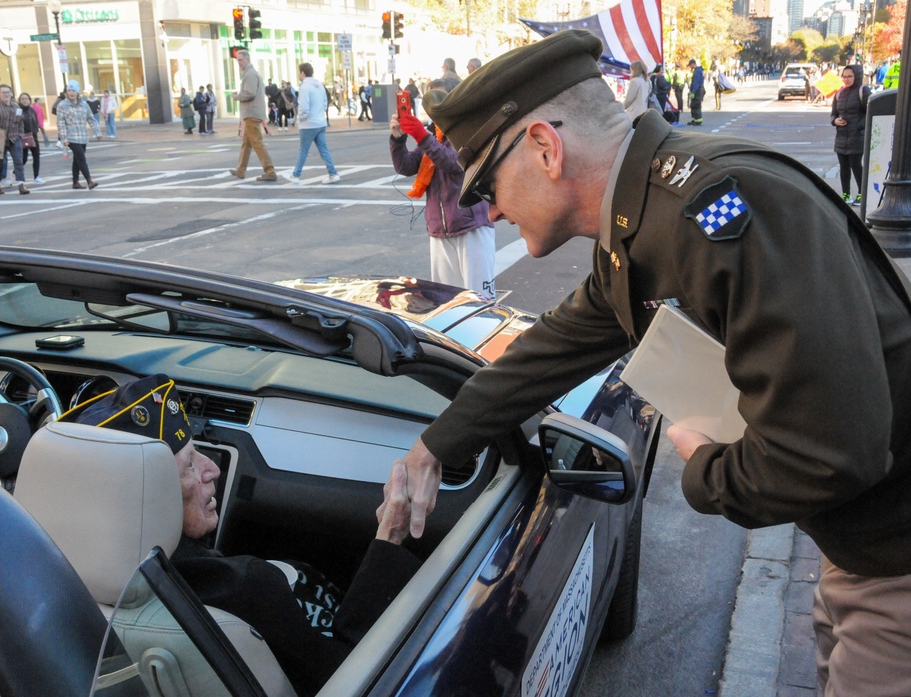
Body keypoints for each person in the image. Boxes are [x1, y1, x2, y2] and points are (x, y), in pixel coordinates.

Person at [388, 29, 911, 696]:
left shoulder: (713, 214)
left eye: (488, 182)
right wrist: (434, 446)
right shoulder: (648, 215)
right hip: (862, 543)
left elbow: (833, 452)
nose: (489, 208)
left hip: (895, 559)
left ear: (546, 148)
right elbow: (551, 349)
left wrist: (704, 468)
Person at [64, 374, 420, 697]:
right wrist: (390, 537)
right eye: (189, 464)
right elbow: (354, 676)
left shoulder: (57, 574)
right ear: (147, 491)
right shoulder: (245, 588)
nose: (212, 469)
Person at [389, 80, 495, 298]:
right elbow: (406, 166)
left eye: (438, 100)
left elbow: (456, 164)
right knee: (446, 303)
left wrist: (422, 137)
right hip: (439, 230)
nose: (433, 108)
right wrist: (397, 140)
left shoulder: (467, 131)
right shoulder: (433, 135)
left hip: (471, 227)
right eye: (429, 102)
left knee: (480, 301)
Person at [285, 63, 341, 185]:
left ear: (303, 73)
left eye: (299, 72)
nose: (299, 75)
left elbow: (304, 107)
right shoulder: (319, 85)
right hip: (320, 122)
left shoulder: (305, 87)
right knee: (323, 148)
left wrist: (300, 119)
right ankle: (333, 173)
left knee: (303, 149)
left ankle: (296, 174)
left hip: (308, 123)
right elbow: (325, 103)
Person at [228, 49, 278, 182]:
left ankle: (270, 171)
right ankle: (240, 170)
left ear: (247, 59)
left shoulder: (250, 74)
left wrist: (236, 96)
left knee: (257, 143)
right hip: (252, 113)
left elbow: (249, 93)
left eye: (240, 60)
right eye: (237, 60)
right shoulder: (250, 73)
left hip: (252, 113)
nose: (239, 63)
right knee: (247, 144)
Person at [831, 64, 869, 205]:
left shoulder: (863, 90)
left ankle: (861, 193)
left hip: (856, 136)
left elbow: (869, 111)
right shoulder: (839, 93)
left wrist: (860, 126)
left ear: (857, 76)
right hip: (841, 136)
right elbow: (833, 114)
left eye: (850, 76)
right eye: (844, 76)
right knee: (844, 167)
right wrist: (835, 121)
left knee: (856, 165)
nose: (846, 79)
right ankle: (846, 194)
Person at [0, 84, 29, 196]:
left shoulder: (16, 107)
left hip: (14, 137)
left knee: (18, 160)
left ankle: (21, 184)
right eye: (3, 92)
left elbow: (20, 121)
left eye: (8, 92)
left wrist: (21, 134)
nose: (6, 94)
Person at [57, 79, 101, 190]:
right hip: (71, 137)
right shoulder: (62, 105)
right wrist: (64, 138)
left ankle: (75, 182)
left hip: (83, 136)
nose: (71, 93)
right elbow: (60, 123)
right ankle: (89, 181)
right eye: (69, 90)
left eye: (73, 90)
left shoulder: (84, 104)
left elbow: (91, 119)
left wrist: (97, 132)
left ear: (78, 92)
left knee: (77, 160)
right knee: (81, 158)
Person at [18, 93, 44, 185]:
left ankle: (36, 176)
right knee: (23, 159)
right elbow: (16, 121)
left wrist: (36, 129)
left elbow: (35, 121)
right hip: (23, 137)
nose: (25, 100)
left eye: (26, 98)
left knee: (36, 157)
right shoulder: (18, 110)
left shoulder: (32, 110)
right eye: (22, 99)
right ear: (20, 100)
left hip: (33, 136)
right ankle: (15, 173)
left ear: (29, 100)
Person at [687, 58, 705, 125]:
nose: (690, 67)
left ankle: (697, 120)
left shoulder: (697, 71)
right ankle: (695, 119)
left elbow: (696, 83)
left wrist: (693, 92)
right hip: (699, 89)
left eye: (690, 65)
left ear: (693, 64)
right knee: (694, 105)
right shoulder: (699, 70)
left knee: (696, 105)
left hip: (697, 90)